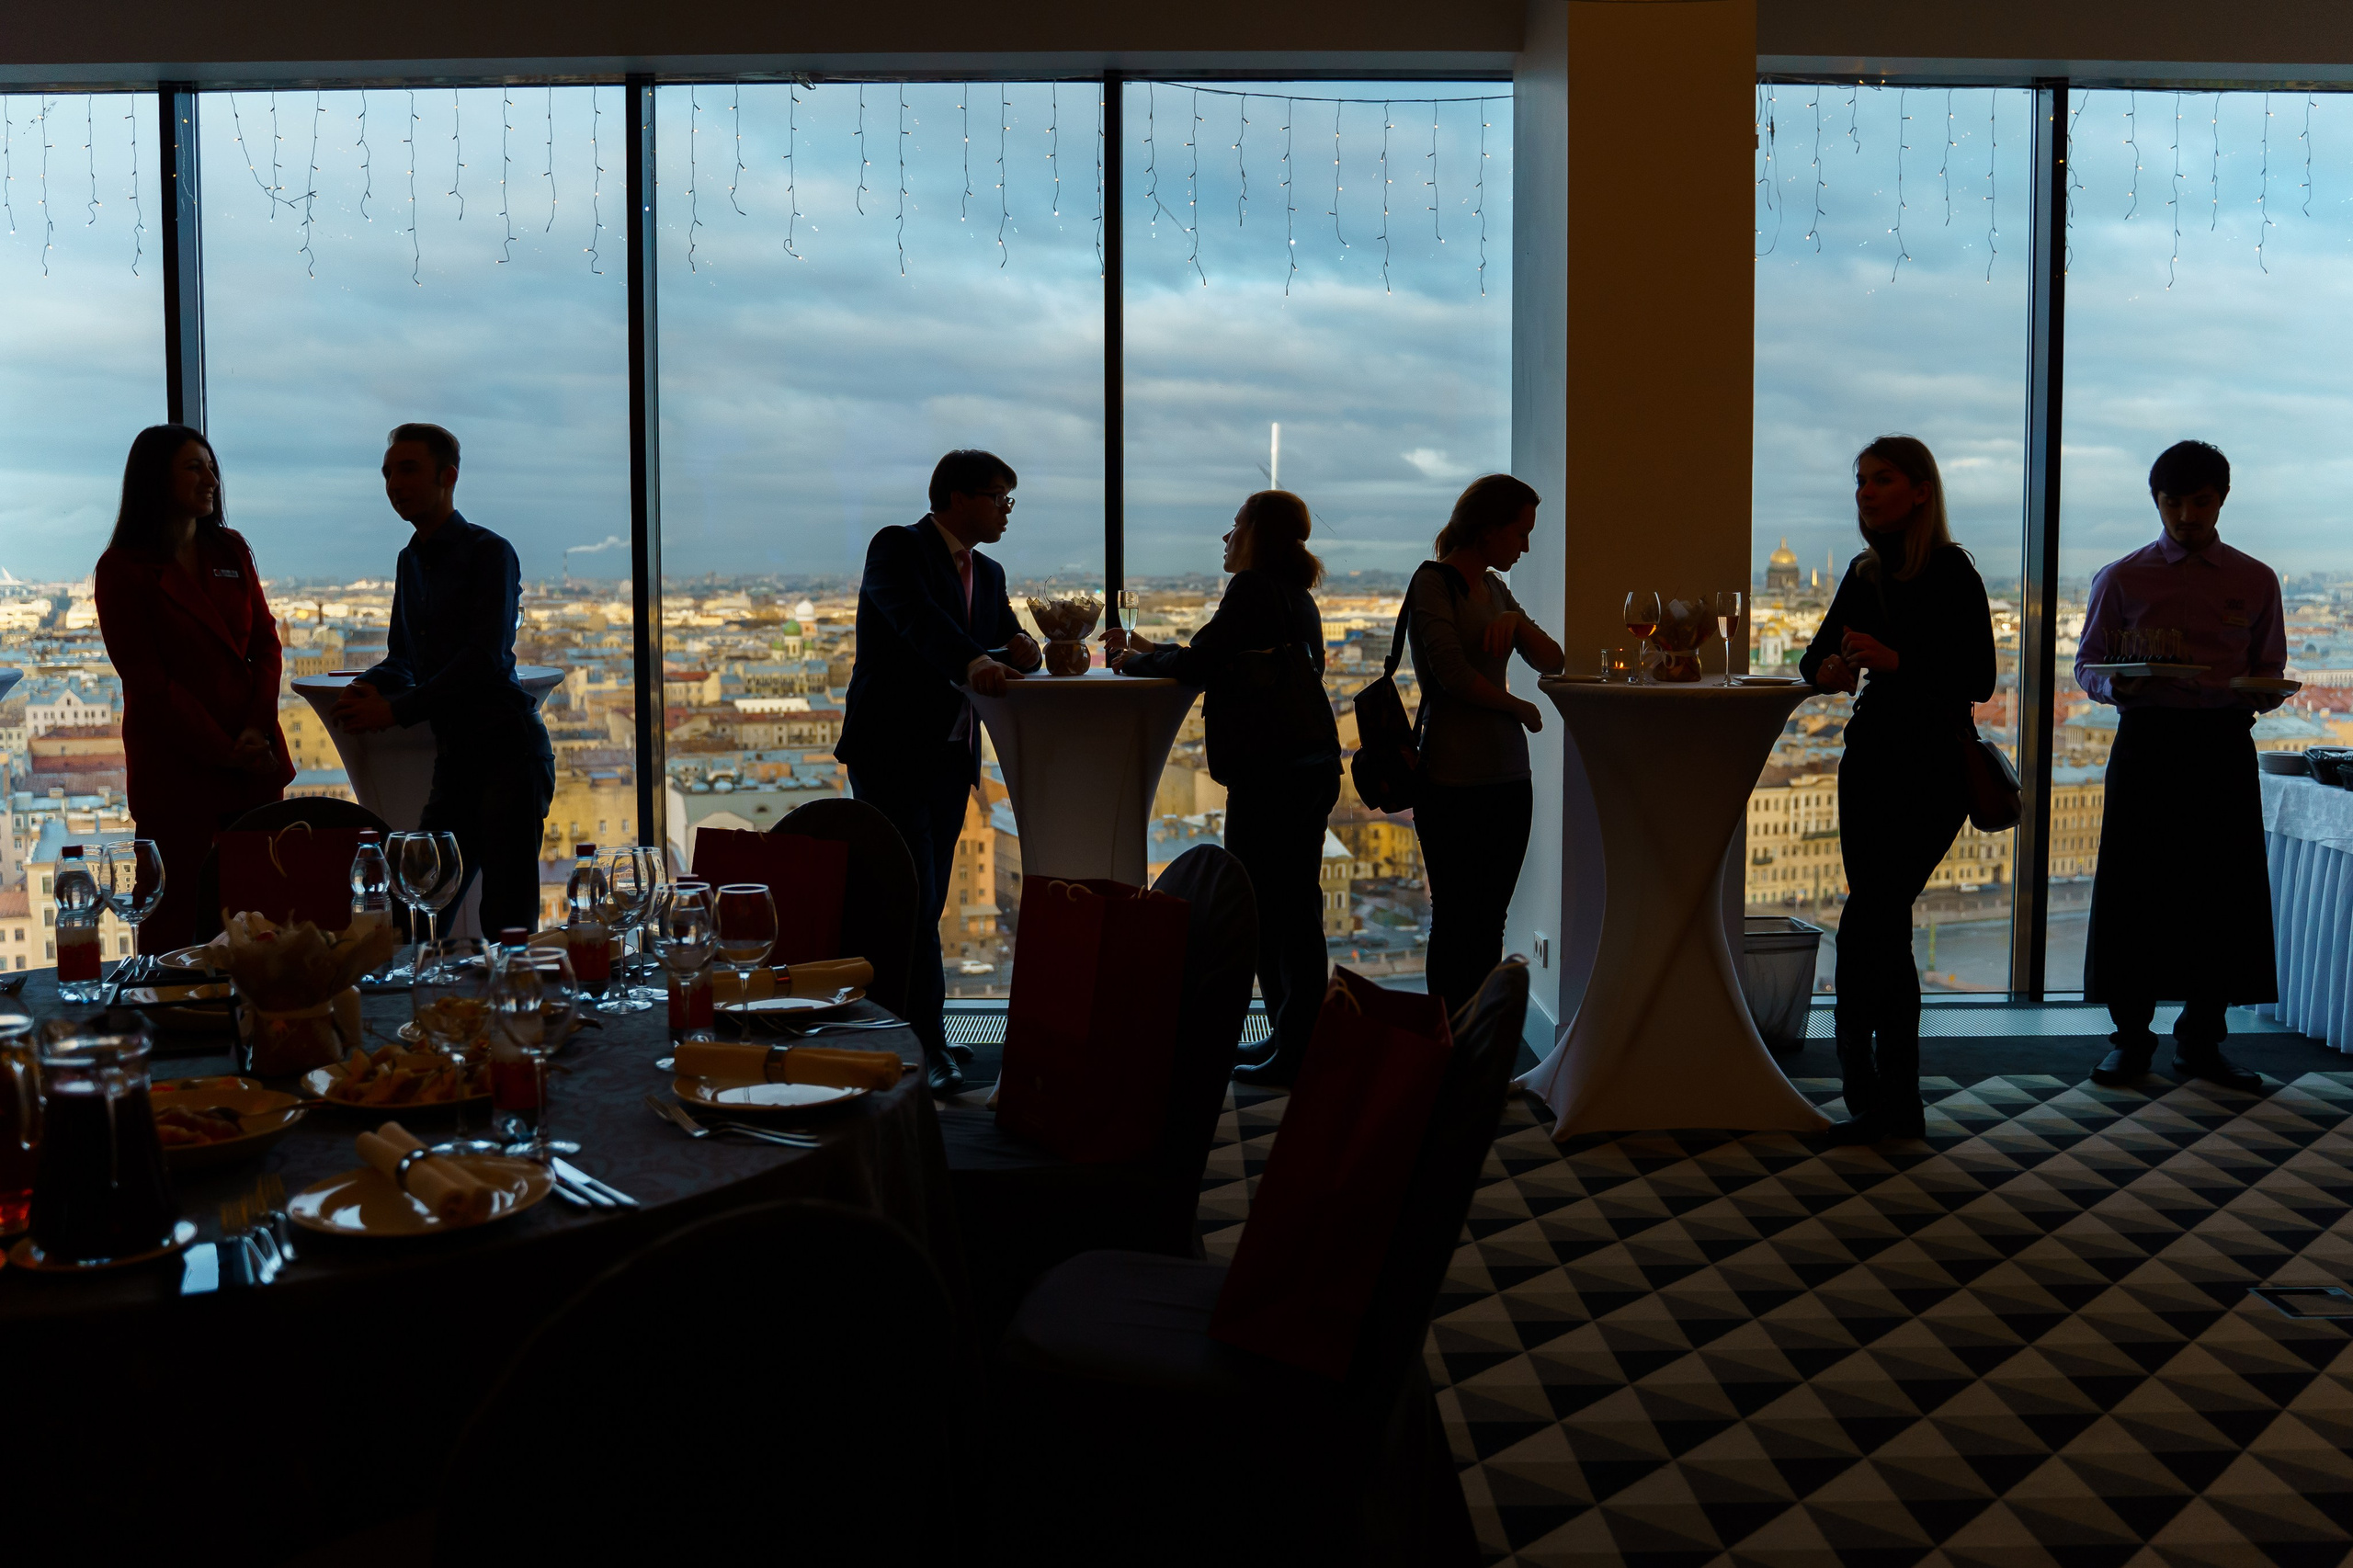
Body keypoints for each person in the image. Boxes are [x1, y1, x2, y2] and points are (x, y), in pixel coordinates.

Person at [1108, 490, 1344, 1085]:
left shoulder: (1252, 589)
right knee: (1296, 907)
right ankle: (1297, 1040)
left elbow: (1199, 663)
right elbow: (1220, 657)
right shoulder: (1297, 597)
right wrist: (1150, 651)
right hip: (1308, 765)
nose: (1225, 536)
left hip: (1271, 774)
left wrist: (1131, 662)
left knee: (1267, 910)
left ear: (1257, 533)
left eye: (1235, 524)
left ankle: (1292, 1047)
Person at [1801, 436, 1995, 1143]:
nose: (1865, 492)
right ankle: (1886, 1100)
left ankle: (1876, 1091)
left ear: (1920, 490)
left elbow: (1979, 679)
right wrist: (1827, 668)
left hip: (1931, 766)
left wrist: (1897, 661)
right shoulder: (1865, 572)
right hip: (1873, 758)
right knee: (1880, 921)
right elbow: (1812, 653)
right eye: (1859, 481)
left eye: (1880, 479)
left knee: (1873, 917)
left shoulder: (1952, 573)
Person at [2076, 441, 2285, 1093]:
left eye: (2199, 502)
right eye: (2173, 503)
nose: (2186, 516)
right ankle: (2131, 1039)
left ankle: (2202, 1037)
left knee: (2223, 893)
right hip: (2149, 738)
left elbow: (2270, 666)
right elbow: (2087, 667)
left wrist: (2263, 691)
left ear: (2221, 500)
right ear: (2156, 502)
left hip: (2223, 739)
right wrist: (2120, 688)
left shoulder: (2256, 580)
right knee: (2134, 890)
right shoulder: (2121, 577)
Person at [837, 449, 1041, 1096]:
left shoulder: (991, 570)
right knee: (913, 901)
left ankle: (909, 1038)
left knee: (929, 899)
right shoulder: (898, 548)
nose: (1007, 511)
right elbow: (917, 622)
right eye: (998, 499)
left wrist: (1024, 647)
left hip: (951, 760)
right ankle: (919, 1043)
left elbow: (1001, 636)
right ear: (957, 498)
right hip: (892, 751)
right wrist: (972, 662)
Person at [332, 424, 553, 937]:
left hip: (508, 755)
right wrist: (367, 686)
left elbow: (484, 659)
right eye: (387, 473)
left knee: (503, 919)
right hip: (458, 758)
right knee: (419, 906)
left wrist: (394, 710)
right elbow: (403, 657)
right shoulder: (410, 561)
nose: (393, 484)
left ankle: (507, 1015)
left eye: (407, 469)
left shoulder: (490, 553)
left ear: (448, 476)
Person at [95, 425, 295, 950]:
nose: (211, 478)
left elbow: (267, 646)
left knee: (262, 919)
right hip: (177, 770)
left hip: (252, 763)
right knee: (175, 921)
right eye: (194, 467)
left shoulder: (230, 549)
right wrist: (226, 750)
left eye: (212, 466)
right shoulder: (122, 570)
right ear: (155, 479)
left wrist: (255, 730)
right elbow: (150, 683)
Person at [1406, 474, 1566, 1022]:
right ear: (1488, 530)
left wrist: (1515, 620)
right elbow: (1449, 674)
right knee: (1457, 921)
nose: (1524, 546)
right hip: (1452, 778)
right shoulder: (1433, 583)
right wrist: (1516, 707)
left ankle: (1466, 1043)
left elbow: (1554, 659)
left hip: (1502, 779)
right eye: (1519, 533)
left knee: (1486, 920)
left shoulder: (1495, 591)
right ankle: (1450, 1045)